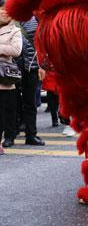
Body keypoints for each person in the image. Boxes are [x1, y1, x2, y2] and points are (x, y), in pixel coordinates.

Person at [14, 16, 45, 146]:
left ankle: (31, 135)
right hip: (12, 67)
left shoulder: (34, 19)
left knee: (30, 102)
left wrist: (41, 66)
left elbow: (41, 44)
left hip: (31, 67)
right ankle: (11, 134)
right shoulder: (8, 17)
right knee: (12, 102)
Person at [0, 2, 22, 153]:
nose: (4, 13)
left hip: (4, 77)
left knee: (5, 112)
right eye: (2, 10)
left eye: (7, 11)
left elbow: (16, 50)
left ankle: (7, 137)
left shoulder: (15, 31)